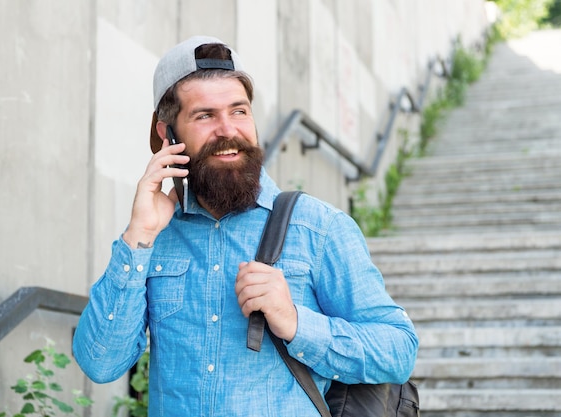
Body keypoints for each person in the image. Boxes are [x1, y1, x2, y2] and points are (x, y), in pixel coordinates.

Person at [73, 35, 418, 417]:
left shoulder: (319, 228)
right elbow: (99, 363)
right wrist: (138, 237)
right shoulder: (154, 236)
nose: (228, 130)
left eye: (239, 111)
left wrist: (296, 323)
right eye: (205, 115)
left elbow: (398, 350)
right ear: (167, 134)